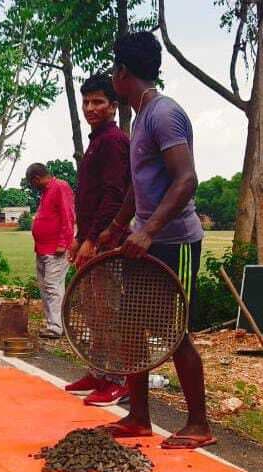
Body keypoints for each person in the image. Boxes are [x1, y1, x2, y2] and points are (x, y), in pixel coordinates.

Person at [95, 32, 214, 449]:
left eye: (114, 70)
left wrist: (149, 230)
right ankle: (139, 416)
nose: (113, 77)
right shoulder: (139, 116)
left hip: (174, 242)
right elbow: (139, 184)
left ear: (123, 72)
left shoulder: (164, 115)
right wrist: (118, 225)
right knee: (130, 326)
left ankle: (199, 424)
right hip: (140, 239)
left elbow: (186, 180)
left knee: (175, 332)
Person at [65, 73, 133, 404]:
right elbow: (88, 198)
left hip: (108, 241)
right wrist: (80, 238)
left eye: (98, 102)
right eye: (87, 101)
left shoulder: (115, 141)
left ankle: (120, 379)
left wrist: (94, 239)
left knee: (110, 310)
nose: (90, 108)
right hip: (91, 238)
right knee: (93, 309)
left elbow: (113, 195)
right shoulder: (96, 141)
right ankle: (99, 371)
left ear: (113, 106)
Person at [25, 163, 74, 339]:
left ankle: (56, 327)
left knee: (53, 287)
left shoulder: (60, 186)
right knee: (46, 287)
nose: (33, 187)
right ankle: (52, 323)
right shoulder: (46, 192)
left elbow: (68, 215)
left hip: (56, 249)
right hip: (43, 248)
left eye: (32, 184)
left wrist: (63, 242)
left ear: (36, 179)